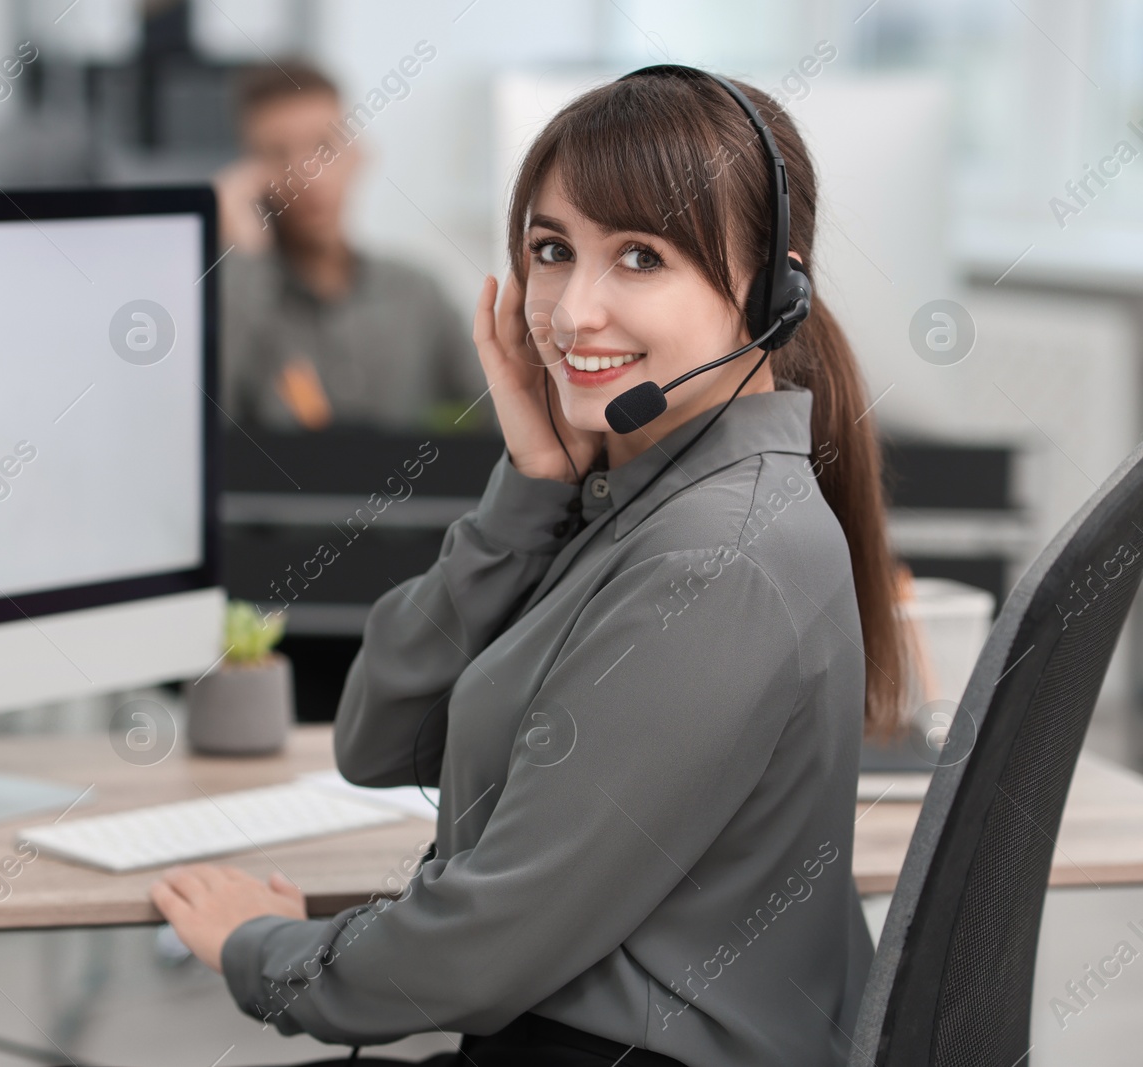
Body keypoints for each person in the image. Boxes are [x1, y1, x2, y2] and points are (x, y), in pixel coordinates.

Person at [150, 65, 908, 1066]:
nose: (571, 311)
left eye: (640, 256)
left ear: (772, 289)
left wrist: (263, 950)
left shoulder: (714, 555)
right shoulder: (630, 498)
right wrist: (529, 481)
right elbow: (377, 736)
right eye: (552, 251)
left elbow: (486, 943)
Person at [215, 62, 488, 432]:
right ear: (251, 175)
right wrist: (242, 252)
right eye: (277, 154)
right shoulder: (238, 299)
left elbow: (501, 417)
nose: (307, 173)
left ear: (359, 155)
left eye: (324, 147)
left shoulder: (417, 293)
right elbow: (202, 428)